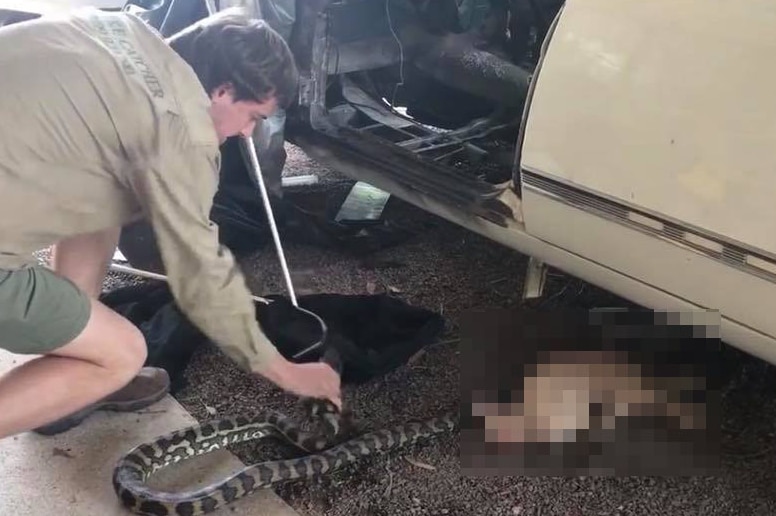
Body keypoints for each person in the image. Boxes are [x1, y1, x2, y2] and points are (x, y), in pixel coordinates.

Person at [0, 6, 341, 441]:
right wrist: (285, 372)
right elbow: (200, 274)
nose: (245, 134)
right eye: (254, 116)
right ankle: (100, 366)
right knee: (124, 353)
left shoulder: (120, 29)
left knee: (111, 198)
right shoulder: (182, 131)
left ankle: (72, 367)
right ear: (222, 91)